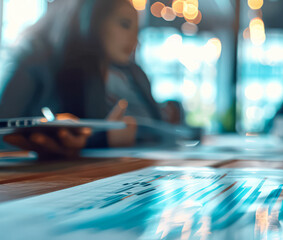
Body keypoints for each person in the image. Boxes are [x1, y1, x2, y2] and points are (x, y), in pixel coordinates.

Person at [0, 0, 172, 158]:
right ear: (92, 18)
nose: (135, 40)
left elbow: (161, 129)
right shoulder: (32, 58)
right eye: (124, 24)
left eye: (138, 30)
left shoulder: (131, 72)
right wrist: (102, 139)